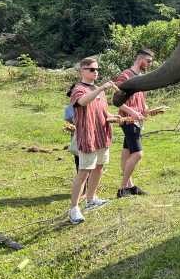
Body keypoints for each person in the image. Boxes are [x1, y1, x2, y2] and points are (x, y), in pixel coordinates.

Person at [68, 57, 119, 225]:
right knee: (84, 172)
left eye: (97, 69)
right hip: (88, 137)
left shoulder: (99, 90)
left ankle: (91, 199)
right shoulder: (78, 89)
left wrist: (115, 117)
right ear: (82, 70)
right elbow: (82, 102)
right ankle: (74, 208)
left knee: (99, 167)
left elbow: (103, 113)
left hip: (102, 136)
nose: (95, 72)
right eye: (91, 69)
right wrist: (101, 88)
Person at [114, 48, 167, 198]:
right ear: (140, 59)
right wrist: (132, 112)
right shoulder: (125, 75)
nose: (150, 64)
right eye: (148, 61)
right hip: (129, 120)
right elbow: (116, 100)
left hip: (138, 121)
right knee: (137, 154)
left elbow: (141, 101)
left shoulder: (142, 77)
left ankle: (130, 186)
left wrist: (148, 110)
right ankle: (122, 188)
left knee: (127, 152)